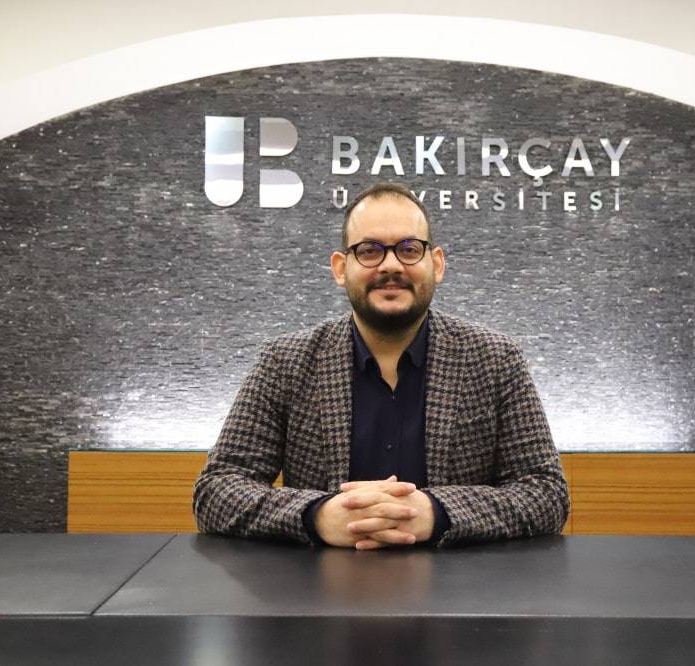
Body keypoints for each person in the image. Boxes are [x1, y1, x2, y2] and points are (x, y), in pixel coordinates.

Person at [193, 183, 569, 549]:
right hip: (317, 586)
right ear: (341, 268)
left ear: (436, 264)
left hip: (460, 586)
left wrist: (437, 513)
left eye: (409, 249)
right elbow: (217, 490)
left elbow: (546, 493)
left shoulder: (496, 360)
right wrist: (317, 515)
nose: (391, 265)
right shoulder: (285, 362)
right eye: (369, 250)